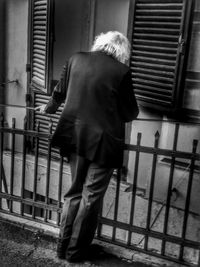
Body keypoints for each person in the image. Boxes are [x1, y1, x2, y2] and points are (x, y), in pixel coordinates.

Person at [36, 31, 139, 262]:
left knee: (73, 192)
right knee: (90, 197)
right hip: (103, 143)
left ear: (99, 43)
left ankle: (62, 248)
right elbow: (130, 112)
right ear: (122, 51)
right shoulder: (121, 71)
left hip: (74, 136)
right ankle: (76, 252)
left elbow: (59, 93)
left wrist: (49, 108)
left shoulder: (76, 59)